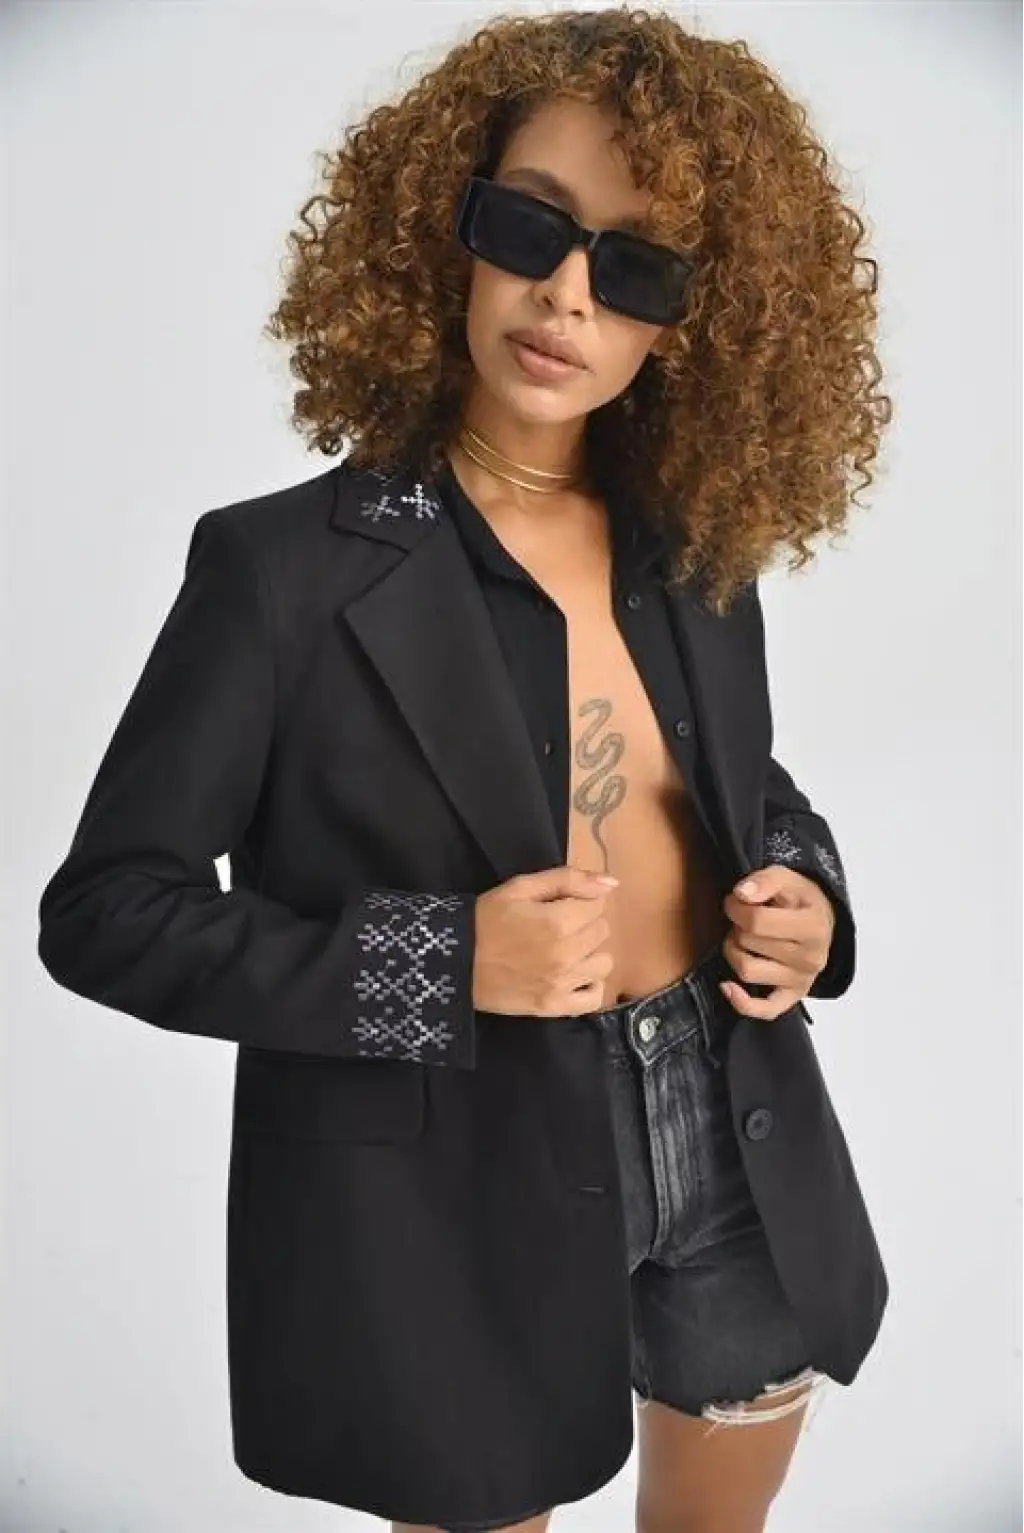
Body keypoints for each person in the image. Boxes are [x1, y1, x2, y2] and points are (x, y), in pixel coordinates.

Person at [37, 8, 893, 1532]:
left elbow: (737, 788)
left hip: (733, 1122)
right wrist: (438, 967)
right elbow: (106, 912)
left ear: (693, 320)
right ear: (447, 224)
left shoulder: (691, 554)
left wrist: (806, 900)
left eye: (635, 268)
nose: (568, 294)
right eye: (530, 226)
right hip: (457, 1180)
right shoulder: (280, 574)